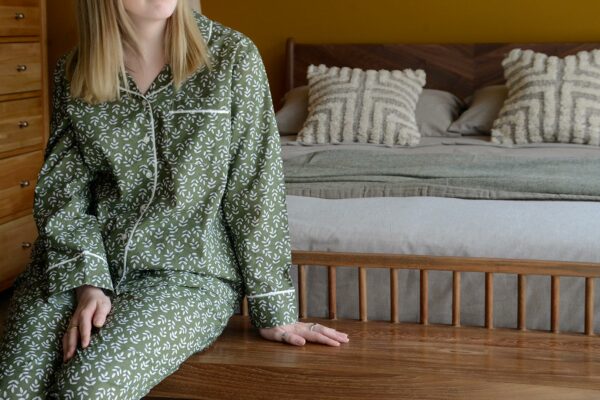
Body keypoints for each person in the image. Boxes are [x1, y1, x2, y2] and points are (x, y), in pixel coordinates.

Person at [0, 1, 349, 398]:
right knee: (13, 388)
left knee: (87, 388)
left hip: (188, 274)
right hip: (74, 267)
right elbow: (64, 193)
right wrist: (87, 282)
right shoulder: (74, 70)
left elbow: (255, 189)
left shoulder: (232, 57)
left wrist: (275, 310)